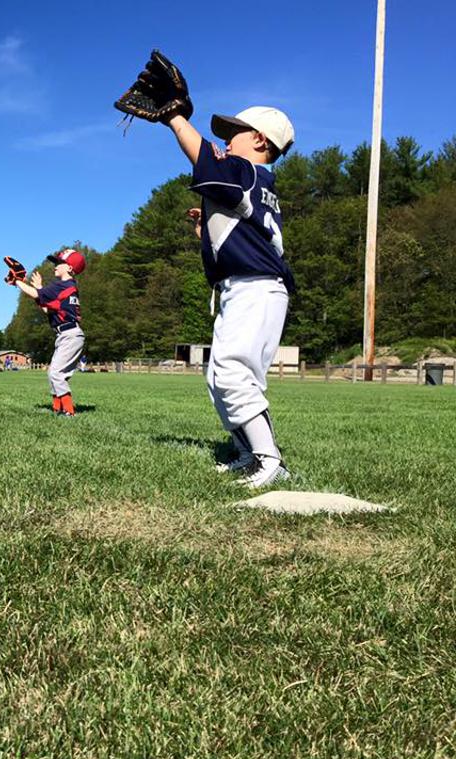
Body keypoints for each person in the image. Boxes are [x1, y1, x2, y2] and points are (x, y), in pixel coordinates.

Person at [165, 105, 296, 488]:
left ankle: (269, 460)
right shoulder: (257, 182)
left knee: (234, 373)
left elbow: (205, 161)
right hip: (249, 287)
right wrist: (207, 228)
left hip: (255, 287)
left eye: (234, 132)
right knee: (219, 376)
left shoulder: (246, 171)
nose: (225, 139)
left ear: (259, 140)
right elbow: (241, 235)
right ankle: (248, 454)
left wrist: (173, 118)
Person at [12, 249, 86, 416]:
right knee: (53, 373)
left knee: (56, 373)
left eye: (59, 263)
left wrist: (17, 281)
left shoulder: (62, 285)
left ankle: (68, 411)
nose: (55, 266)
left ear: (69, 268)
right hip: (67, 334)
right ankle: (57, 408)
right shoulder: (68, 287)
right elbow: (48, 308)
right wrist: (38, 287)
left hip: (69, 334)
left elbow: (34, 294)